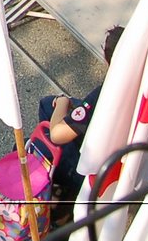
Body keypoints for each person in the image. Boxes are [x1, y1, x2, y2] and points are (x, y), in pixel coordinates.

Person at [40, 25, 124, 223]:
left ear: (108, 59)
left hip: (95, 167)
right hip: (122, 154)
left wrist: (62, 101)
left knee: (45, 117)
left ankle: (67, 198)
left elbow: (58, 134)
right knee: (47, 105)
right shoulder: (146, 84)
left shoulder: (104, 94)